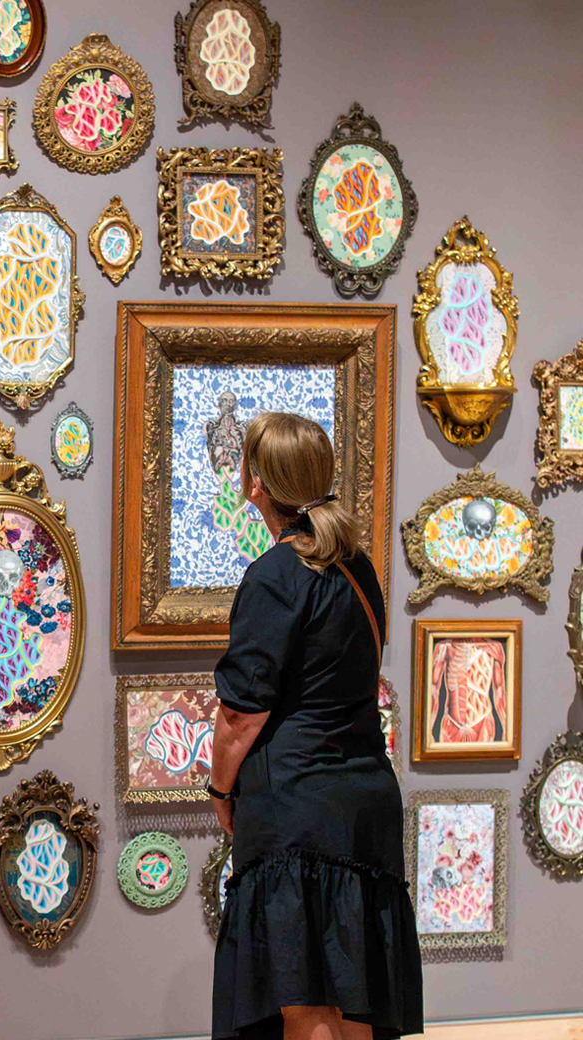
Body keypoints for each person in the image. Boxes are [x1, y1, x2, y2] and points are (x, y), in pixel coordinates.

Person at [209, 412, 422, 1040]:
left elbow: (239, 715)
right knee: (356, 1002)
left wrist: (221, 793)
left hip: (296, 806)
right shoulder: (358, 569)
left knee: (303, 1008)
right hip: (366, 805)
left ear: (255, 485)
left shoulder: (274, 576)